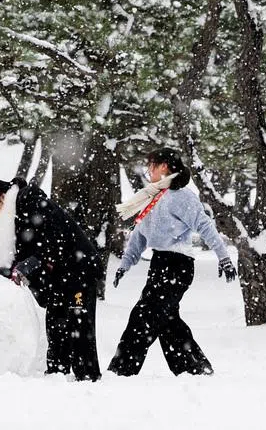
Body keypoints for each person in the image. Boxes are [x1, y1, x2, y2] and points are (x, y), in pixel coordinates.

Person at [108, 146, 236, 377]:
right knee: (167, 321)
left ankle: (120, 371)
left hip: (177, 265)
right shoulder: (154, 197)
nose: (148, 170)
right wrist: (125, 264)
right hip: (160, 265)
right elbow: (139, 235)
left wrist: (224, 256)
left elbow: (205, 225)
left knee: (144, 316)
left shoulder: (182, 196)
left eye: (151, 165)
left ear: (163, 167)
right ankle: (195, 368)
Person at [0, 177, 102, 381]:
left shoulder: (31, 201)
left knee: (79, 320)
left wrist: (30, 264)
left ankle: (87, 374)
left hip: (78, 269)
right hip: (60, 275)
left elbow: (55, 239)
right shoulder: (18, 214)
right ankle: (57, 371)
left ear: (2, 197)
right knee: (56, 320)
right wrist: (0, 271)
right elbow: (23, 255)